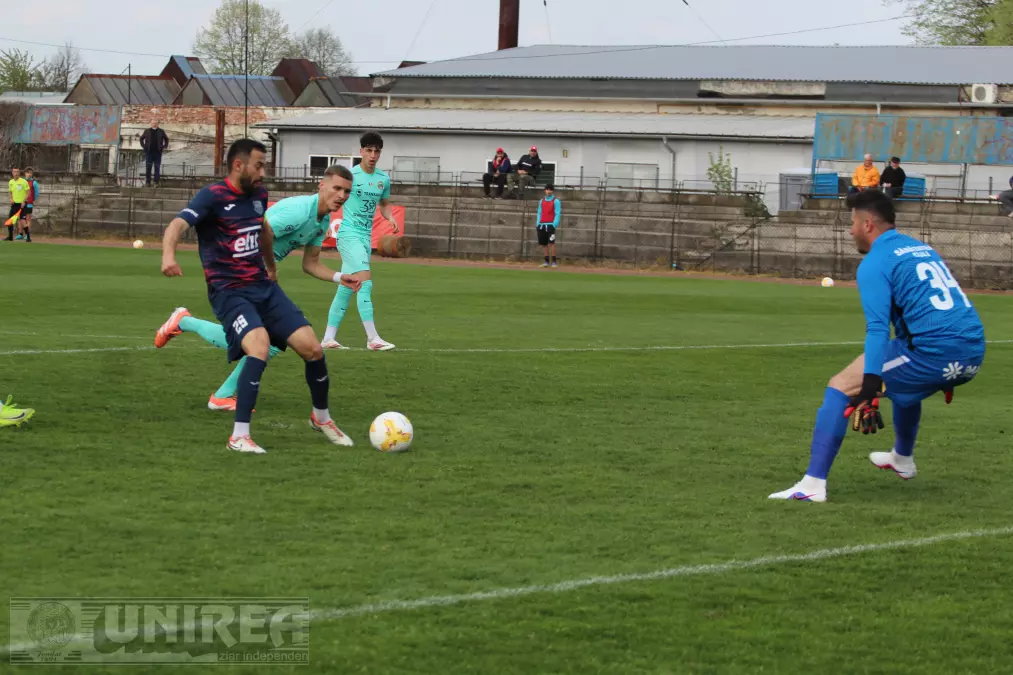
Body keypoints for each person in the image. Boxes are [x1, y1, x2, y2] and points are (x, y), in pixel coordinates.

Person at [769, 190, 985, 503]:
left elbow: (877, 329)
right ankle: (902, 458)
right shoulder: (919, 247)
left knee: (841, 386)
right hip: (973, 351)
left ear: (868, 224)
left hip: (936, 355)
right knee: (902, 364)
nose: (850, 230)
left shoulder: (875, 263)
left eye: (853, 223)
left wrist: (869, 385)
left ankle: (812, 485)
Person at [160, 139, 353, 454]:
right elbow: (177, 224)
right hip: (229, 290)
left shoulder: (259, 196)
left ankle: (321, 418)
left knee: (313, 349)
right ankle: (238, 436)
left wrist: (270, 266)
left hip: (263, 286)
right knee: (259, 347)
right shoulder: (212, 196)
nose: (265, 171)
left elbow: (264, 229)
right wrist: (169, 256)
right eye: (259, 165)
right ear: (239, 165)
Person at [321, 131, 399, 352]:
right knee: (365, 283)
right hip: (348, 235)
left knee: (347, 288)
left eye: (377, 151)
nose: (373, 155)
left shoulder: (383, 179)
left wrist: (390, 216)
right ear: (361, 151)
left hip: (365, 237)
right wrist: (325, 221)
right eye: (369, 150)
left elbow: (384, 203)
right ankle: (373, 338)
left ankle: (328, 338)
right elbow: (329, 197)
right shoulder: (350, 176)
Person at [536, 184, 561, 268]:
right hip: (542, 224)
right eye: (547, 189)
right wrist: (538, 223)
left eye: (550, 190)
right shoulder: (541, 201)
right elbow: (539, 212)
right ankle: (546, 261)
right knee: (544, 244)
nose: (548, 191)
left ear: (552, 191)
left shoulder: (556, 201)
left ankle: (554, 261)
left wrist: (554, 224)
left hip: (550, 224)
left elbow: (557, 213)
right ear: (545, 190)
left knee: (551, 243)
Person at [140, 121, 169, 187]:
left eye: (155, 123)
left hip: (158, 153)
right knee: (148, 167)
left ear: (158, 124)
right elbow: (141, 139)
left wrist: (164, 146)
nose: (154, 124)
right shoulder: (147, 131)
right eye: (153, 123)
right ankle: (148, 182)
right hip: (149, 152)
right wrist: (144, 146)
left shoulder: (161, 131)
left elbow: (166, 139)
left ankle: (156, 182)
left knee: (157, 167)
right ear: (151, 124)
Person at [6, 167, 28, 242]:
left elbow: (28, 192)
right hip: (14, 204)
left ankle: (28, 236)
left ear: (19, 173)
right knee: (10, 220)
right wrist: (11, 199)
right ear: (12, 173)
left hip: (22, 204)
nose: (16, 173)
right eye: (14, 172)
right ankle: (10, 237)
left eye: (17, 172)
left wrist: (24, 201)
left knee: (22, 220)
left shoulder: (24, 182)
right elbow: (10, 192)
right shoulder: (11, 182)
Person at [20, 167, 39, 242]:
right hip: (21, 203)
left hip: (29, 203)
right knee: (21, 218)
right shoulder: (22, 181)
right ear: (25, 173)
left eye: (31, 173)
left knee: (28, 218)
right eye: (28, 173)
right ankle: (20, 234)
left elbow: (36, 193)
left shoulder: (34, 182)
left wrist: (32, 199)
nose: (29, 174)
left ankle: (27, 234)